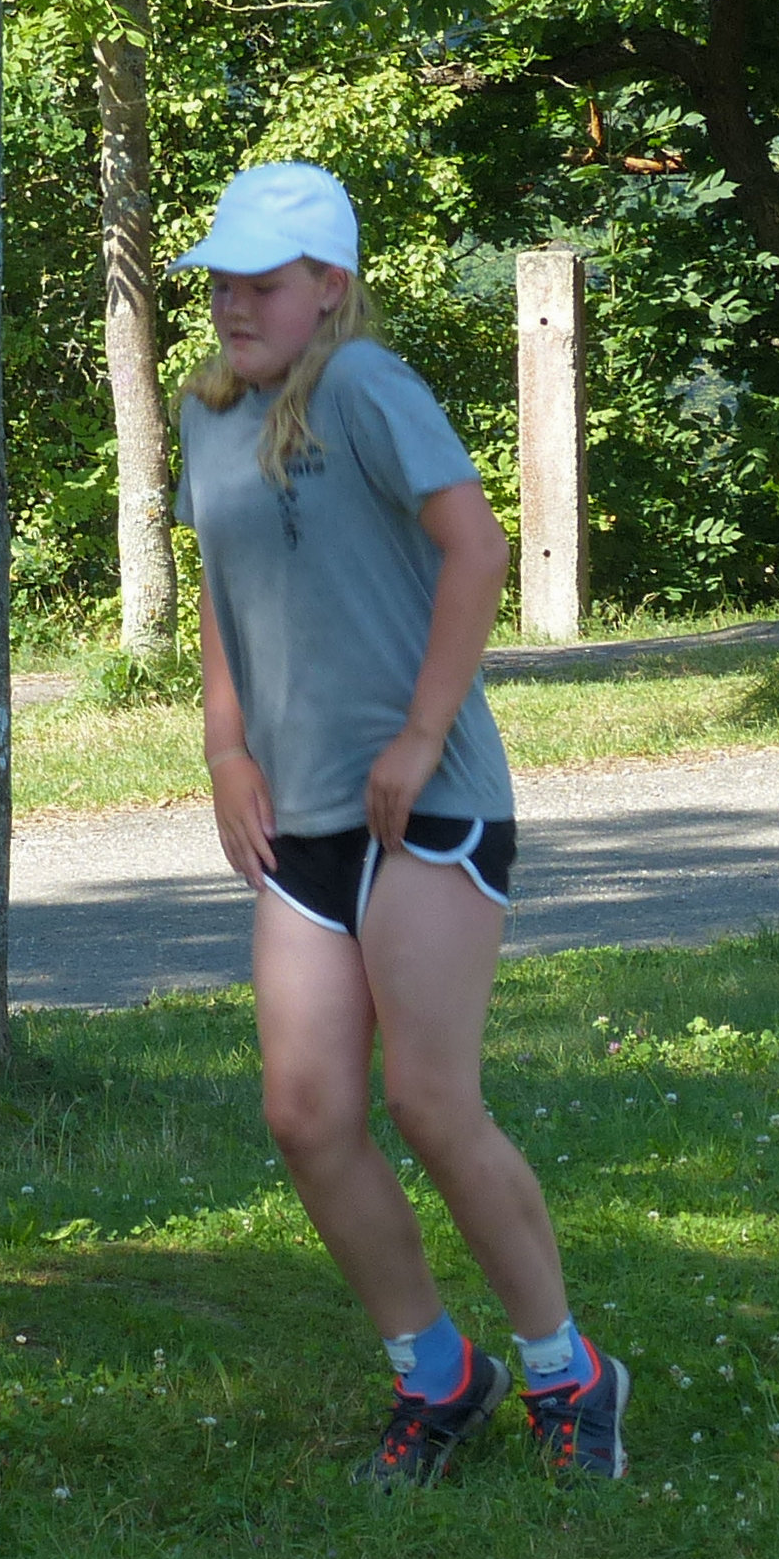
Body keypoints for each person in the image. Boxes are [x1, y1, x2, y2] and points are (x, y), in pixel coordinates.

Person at [175, 161, 624, 1485]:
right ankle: (436, 1373)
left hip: (426, 806)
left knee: (429, 1100)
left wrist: (422, 735)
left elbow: (476, 548)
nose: (233, 305)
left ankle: (567, 1370)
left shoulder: (367, 387)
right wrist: (223, 750)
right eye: (221, 283)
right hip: (296, 815)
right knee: (306, 1113)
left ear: (329, 287)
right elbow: (221, 590)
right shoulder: (208, 411)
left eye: (261, 285)